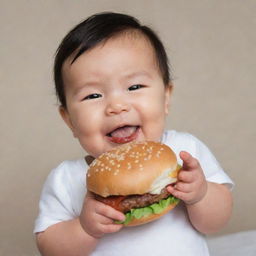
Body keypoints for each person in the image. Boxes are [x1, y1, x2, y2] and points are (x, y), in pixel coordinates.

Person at [34, 12, 233, 255]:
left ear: (166, 97)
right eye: (93, 95)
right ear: (69, 121)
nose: (117, 106)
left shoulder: (185, 151)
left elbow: (216, 222)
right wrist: (85, 229)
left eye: (134, 87)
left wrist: (200, 195)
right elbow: (49, 248)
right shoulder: (66, 178)